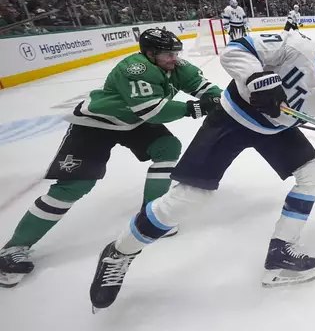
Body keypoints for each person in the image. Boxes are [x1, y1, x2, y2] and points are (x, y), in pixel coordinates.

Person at [88, 29, 315, 312]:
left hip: (275, 129)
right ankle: (120, 251)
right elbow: (236, 50)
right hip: (231, 119)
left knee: (314, 172)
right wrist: (257, 78)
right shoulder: (296, 46)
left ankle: (280, 251)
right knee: (190, 199)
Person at [0, 28, 222, 288]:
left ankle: (152, 216)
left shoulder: (176, 65)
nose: (174, 58)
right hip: (98, 123)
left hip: (132, 123)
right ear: (150, 54)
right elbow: (151, 110)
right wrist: (193, 108)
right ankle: (12, 249)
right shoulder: (136, 68)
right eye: (167, 54)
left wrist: (216, 97)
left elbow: (203, 86)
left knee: (168, 147)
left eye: (175, 52)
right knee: (75, 186)